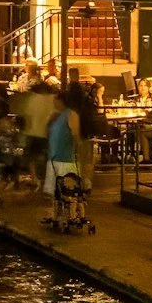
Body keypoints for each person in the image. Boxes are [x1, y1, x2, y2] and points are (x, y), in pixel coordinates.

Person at [45, 88, 92, 232]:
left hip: (65, 158)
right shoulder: (55, 116)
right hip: (54, 157)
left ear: (61, 100)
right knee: (55, 191)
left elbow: (75, 136)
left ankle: (69, 216)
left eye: (55, 99)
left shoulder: (70, 115)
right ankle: (56, 215)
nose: (53, 101)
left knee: (68, 191)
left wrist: (79, 154)